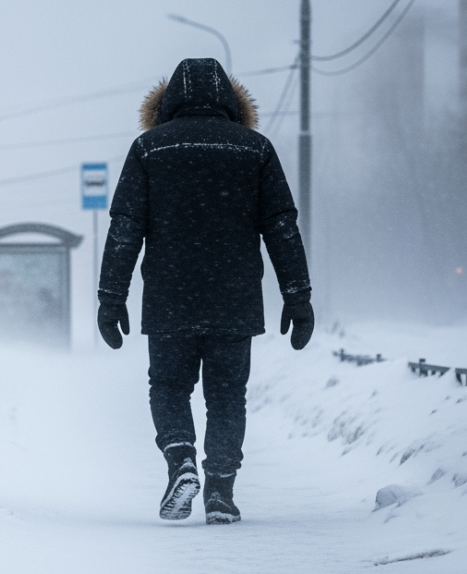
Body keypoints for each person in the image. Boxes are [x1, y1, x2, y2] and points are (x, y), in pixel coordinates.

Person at [97, 58, 313, 525]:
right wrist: (297, 294)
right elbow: (281, 227)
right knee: (228, 395)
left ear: (167, 101)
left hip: (170, 295)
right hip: (234, 296)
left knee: (170, 387)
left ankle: (181, 461)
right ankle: (220, 491)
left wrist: (110, 296)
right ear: (231, 103)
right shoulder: (255, 149)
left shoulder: (149, 149)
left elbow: (125, 228)